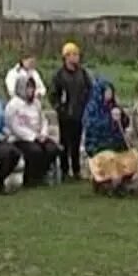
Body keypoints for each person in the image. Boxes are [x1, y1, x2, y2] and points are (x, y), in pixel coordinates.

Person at [83, 77, 138, 196]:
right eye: (106, 91)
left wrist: (122, 118)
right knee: (110, 158)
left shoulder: (114, 106)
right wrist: (110, 120)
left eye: (111, 91)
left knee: (133, 156)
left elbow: (125, 123)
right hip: (98, 145)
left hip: (116, 143)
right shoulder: (92, 108)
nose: (109, 94)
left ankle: (123, 182)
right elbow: (92, 126)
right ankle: (108, 184)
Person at [6, 74, 60, 188]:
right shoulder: (13, 105)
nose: (30, 91)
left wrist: (43, 134)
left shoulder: (36, 103)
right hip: (20, 138)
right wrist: (33, 137)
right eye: (28, 87)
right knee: (35, 151)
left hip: (39, 136)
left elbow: (43, 119)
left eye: (32, 87)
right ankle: (30, 178)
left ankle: (41, 174)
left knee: (52, 149)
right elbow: (15, 126)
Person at [49, 42, 92, 180]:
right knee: (65, 144)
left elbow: (90, 90)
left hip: (79, 113)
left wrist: (86, 105)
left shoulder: (83, 73)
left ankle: (77, 169)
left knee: (76, 143)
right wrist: (60, 108)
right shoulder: (59, 75)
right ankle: (65, 171)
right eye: (72, 55)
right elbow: (53, 94)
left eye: (77, 55)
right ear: (65, 57)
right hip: (65, 114)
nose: (75, 58)